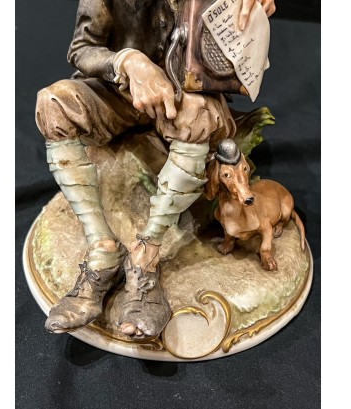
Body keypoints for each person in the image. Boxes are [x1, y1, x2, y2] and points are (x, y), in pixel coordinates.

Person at [35, 0, 276, 339]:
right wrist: (128, 61)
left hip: (185, 98)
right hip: (119, 93)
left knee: (197, 116)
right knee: (52, 104)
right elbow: (82, 48)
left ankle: (145, 258)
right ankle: (103, 251)